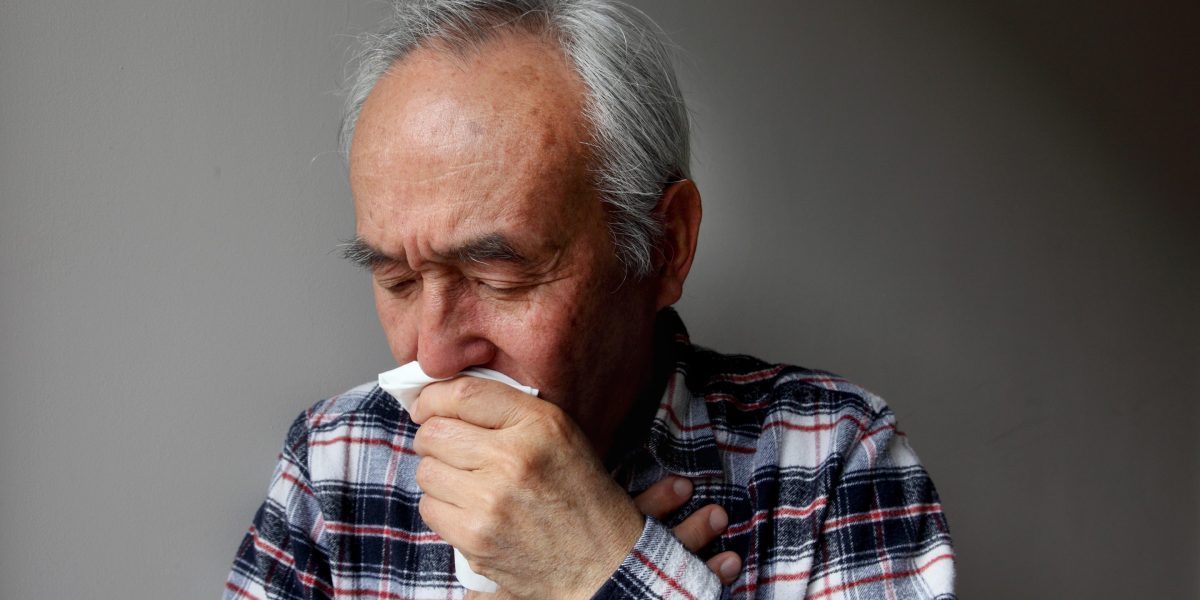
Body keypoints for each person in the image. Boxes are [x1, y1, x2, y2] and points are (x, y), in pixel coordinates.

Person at [224, 1, 955, 598]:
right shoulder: (334, 462)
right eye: (398, 281)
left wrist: (600, 571)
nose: (435, 355)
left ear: (665, 245)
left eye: (498, 276)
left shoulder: (832, 457)